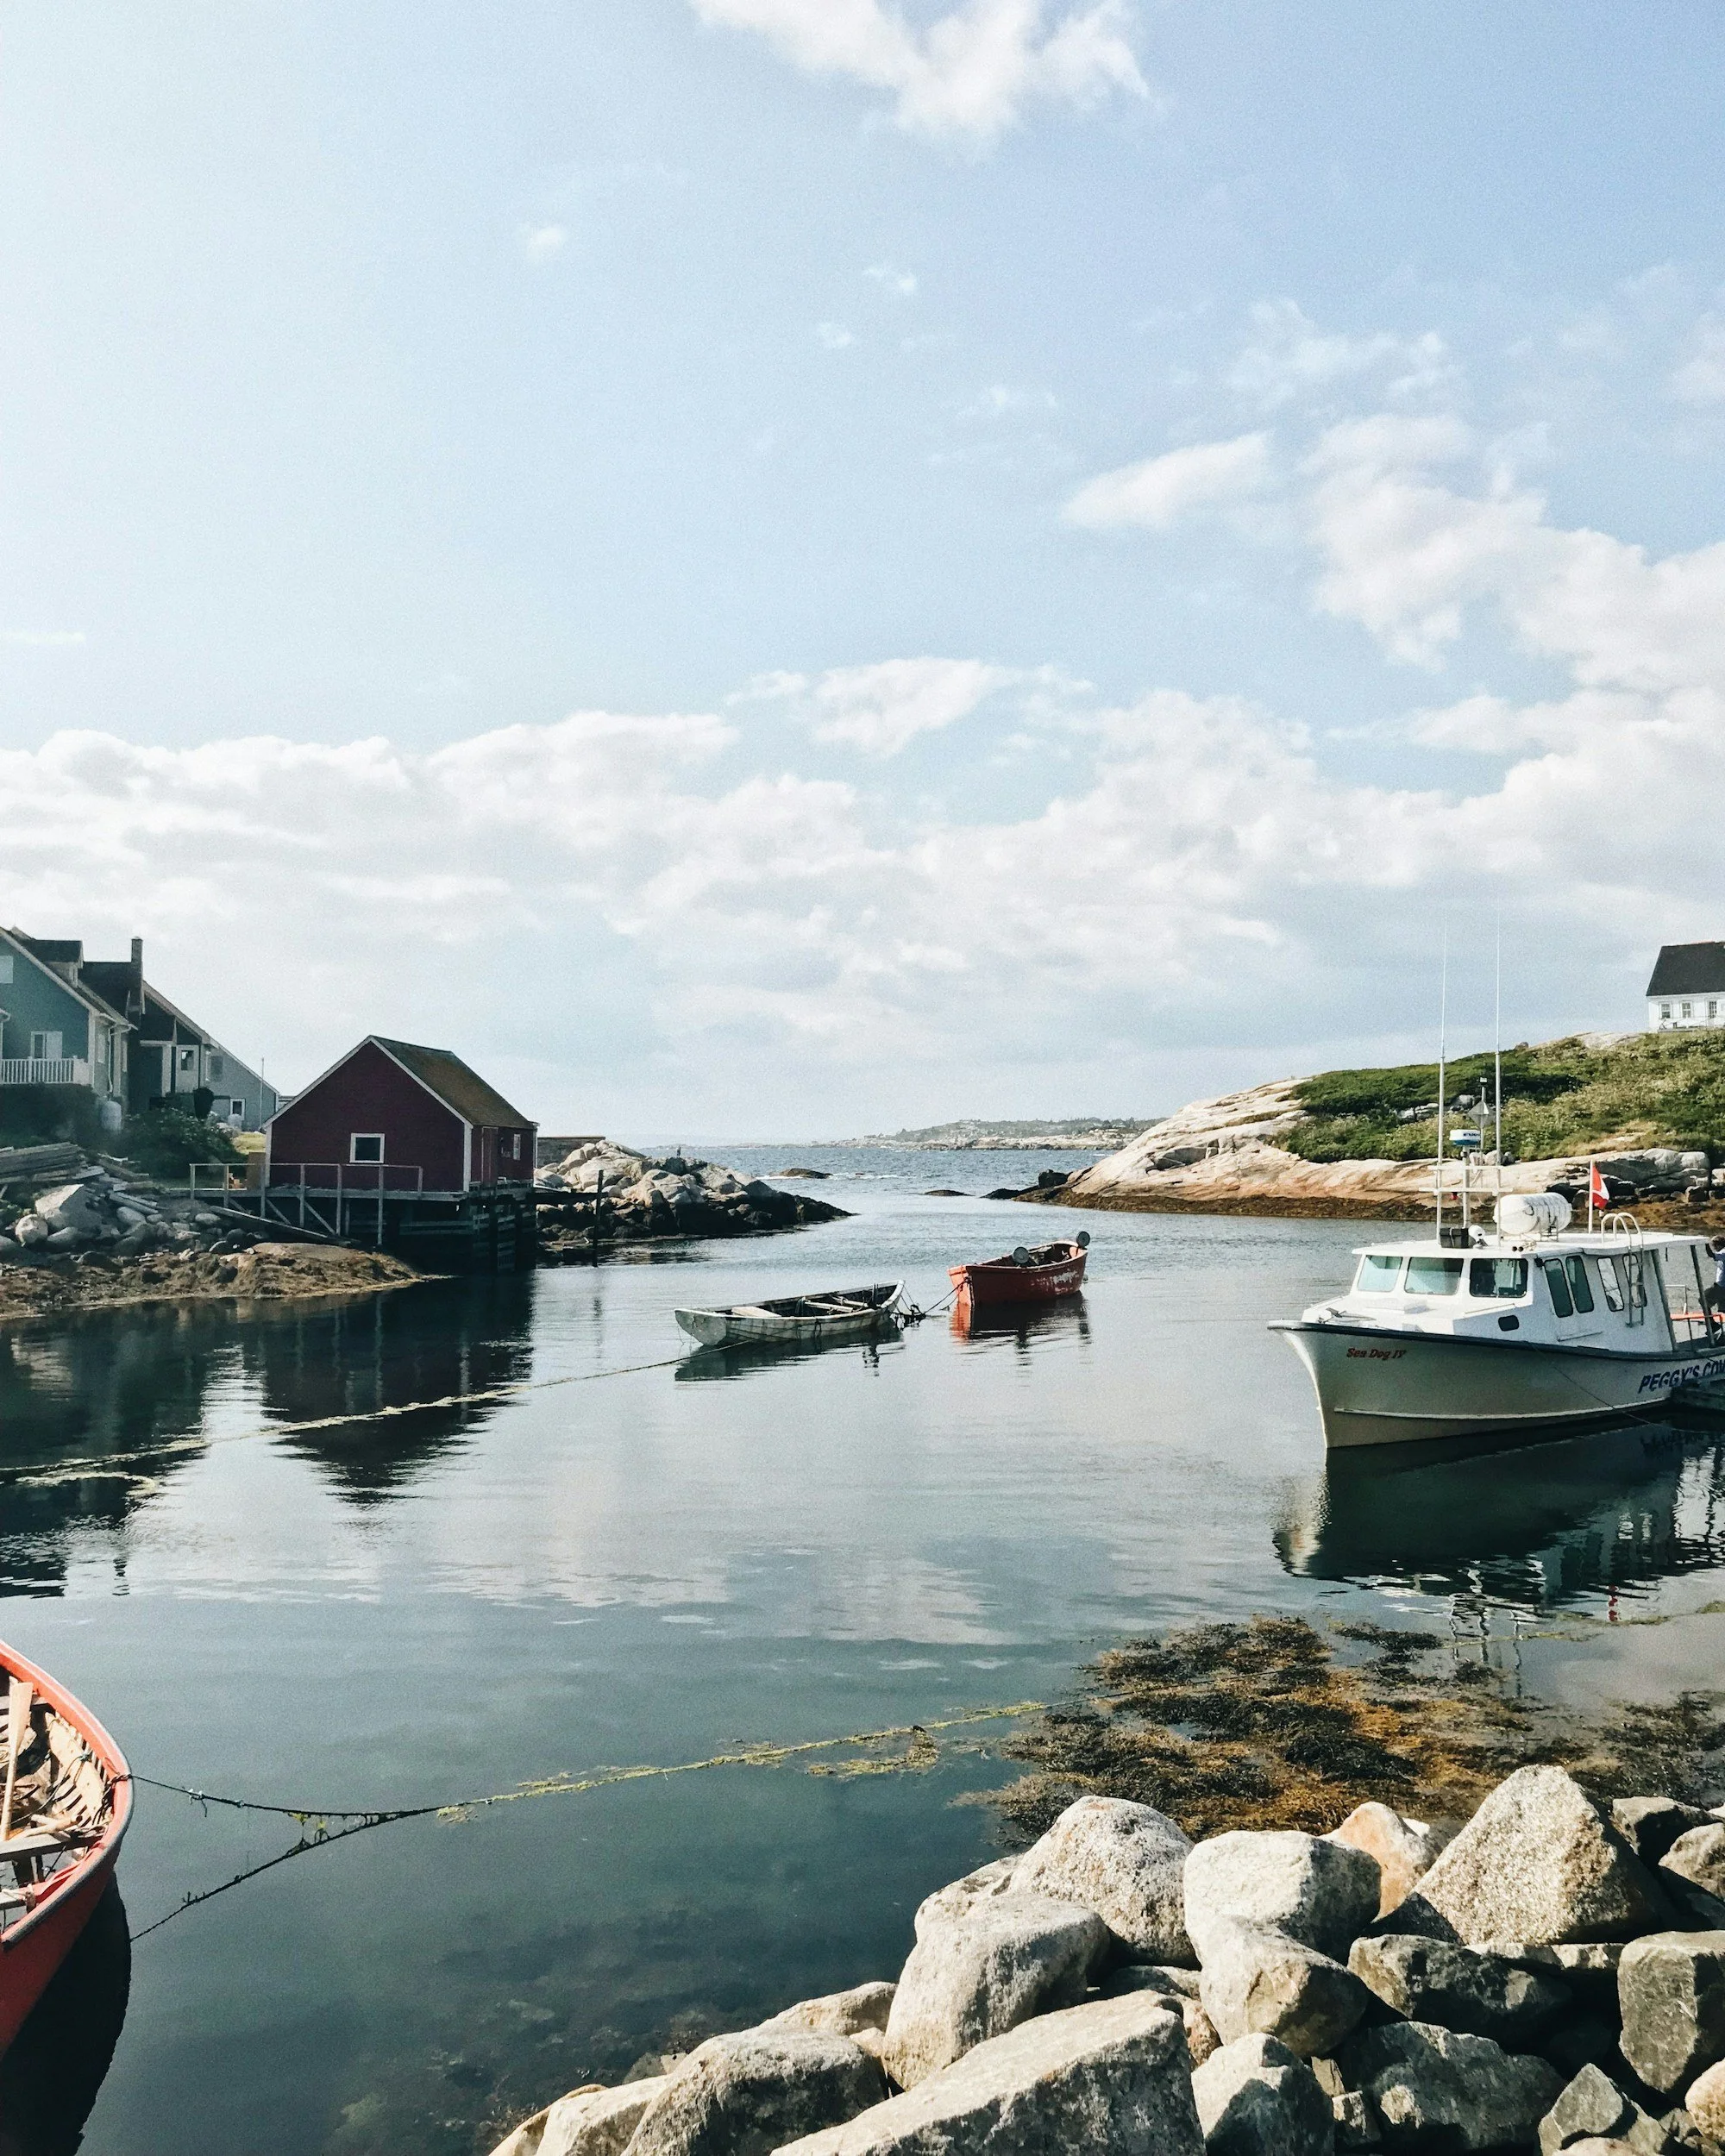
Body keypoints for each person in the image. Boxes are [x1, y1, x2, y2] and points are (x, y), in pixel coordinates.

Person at [1707, 1237, 1725, 1325]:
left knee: (1703, 1300)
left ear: (1718, 1245)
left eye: (1714, 1246)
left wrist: (1705, 1244)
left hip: (1721, 1285)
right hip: (1722, 1285)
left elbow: (1711, 1255)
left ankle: (1712, 1324)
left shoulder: (1723, 1252)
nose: (1714, 1248)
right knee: (1724, 1309)